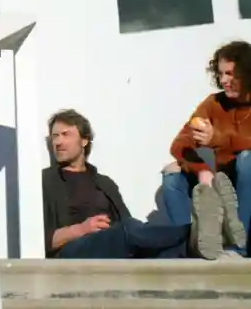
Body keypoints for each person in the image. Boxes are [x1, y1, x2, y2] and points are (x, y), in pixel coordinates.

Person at [43, 109, 224, 260]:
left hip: (112, 246)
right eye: (54, 136)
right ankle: (196, 232)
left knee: (165, 252)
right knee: (128, 230)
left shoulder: (103, 183)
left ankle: (199, 242)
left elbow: (127, 223)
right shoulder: (46, 181)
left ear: (84, 140)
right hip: (72, 251)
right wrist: (82, 228)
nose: (58, 142)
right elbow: (42, 240)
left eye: (65, 134)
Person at [162, 41, 251, 254]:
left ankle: (239, 247)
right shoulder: (213, 103)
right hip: (218, 182)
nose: (224, 80)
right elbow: (180, 143)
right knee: (172, 175)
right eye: (220, 74)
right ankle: (192, 247)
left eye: (230, 74)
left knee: (247, 159)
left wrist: (217, 139)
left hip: (244, 182)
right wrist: (201, 170)